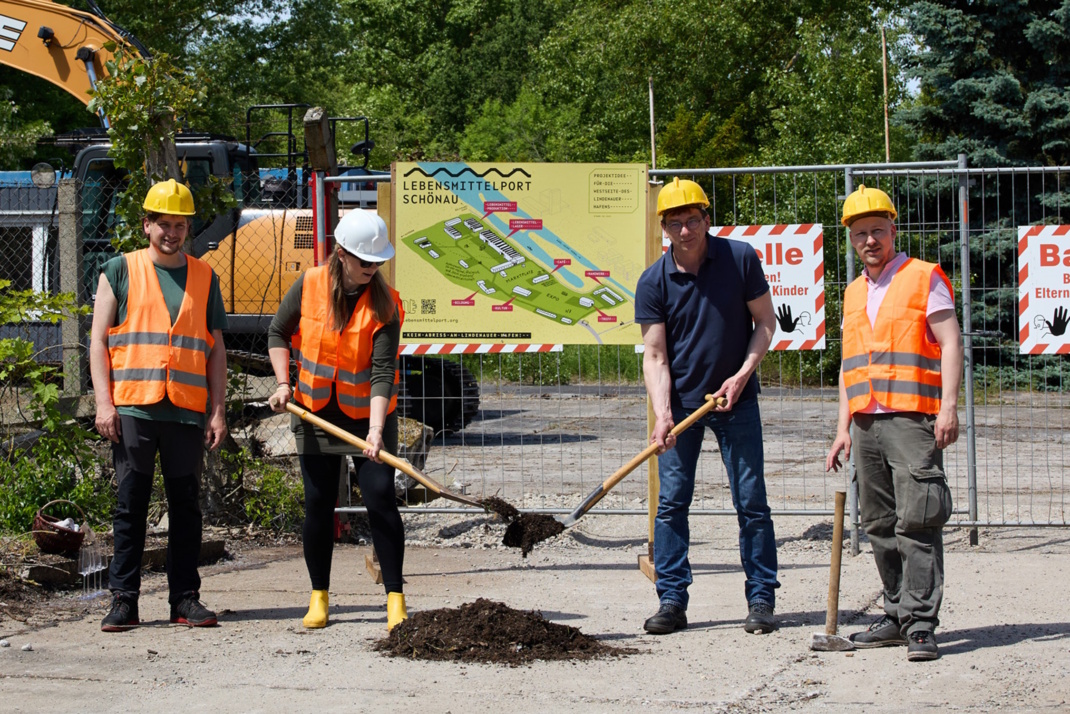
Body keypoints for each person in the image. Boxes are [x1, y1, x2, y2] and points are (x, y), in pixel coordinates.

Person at [634, 177, 779, 635]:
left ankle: (761, 596)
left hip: (737, 402)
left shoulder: (739, 259)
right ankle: (672, 599)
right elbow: (655, 355)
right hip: (682, 409)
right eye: (675, 223)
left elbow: (765, 324)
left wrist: (742, 374)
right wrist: (663, 414)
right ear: (664, 228)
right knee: (672, 504)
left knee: (751, 501)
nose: (685, 230)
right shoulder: (653, 281)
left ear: (706, 218)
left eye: (692, 220)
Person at [826, 185, 963, 662]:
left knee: (918, 522)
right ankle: (896, 614)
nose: (870, 241)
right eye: (860, 234)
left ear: (894, 230)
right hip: (865, 423)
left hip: (911, 421)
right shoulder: (853, 292)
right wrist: (842, 428)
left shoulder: (925, 278)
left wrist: (948, 407)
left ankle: (922, 626)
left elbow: (950, 343)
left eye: (877, 231)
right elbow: (850, 367)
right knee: (880, 525)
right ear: (850, 239)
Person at [91, 179, 228, 632]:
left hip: (186, 409)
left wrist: (217, 411)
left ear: (188, 228)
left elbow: (216, 350)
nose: (172, 232)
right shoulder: (118, 270)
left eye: (180, 224)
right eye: (163, 223)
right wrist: (104, 404)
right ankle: (124, 600)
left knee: (185, 506)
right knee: (130, 504)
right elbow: (97, 343)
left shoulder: (206, 277)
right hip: (133, 407)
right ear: (146, 224)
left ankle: (184, 599)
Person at [266, 209, 407, 631]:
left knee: (380, 497)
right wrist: (282, 383)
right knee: (318, 503)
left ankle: (395, 599)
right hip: (312, 411)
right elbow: (277, 331)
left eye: (378, 261)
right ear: (341, 254)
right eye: (365, 261)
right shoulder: (309, 285)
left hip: (369, 416)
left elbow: (383, 373)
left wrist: (377, 431)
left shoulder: (386, 302)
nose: (372, 269)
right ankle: (319, 595)